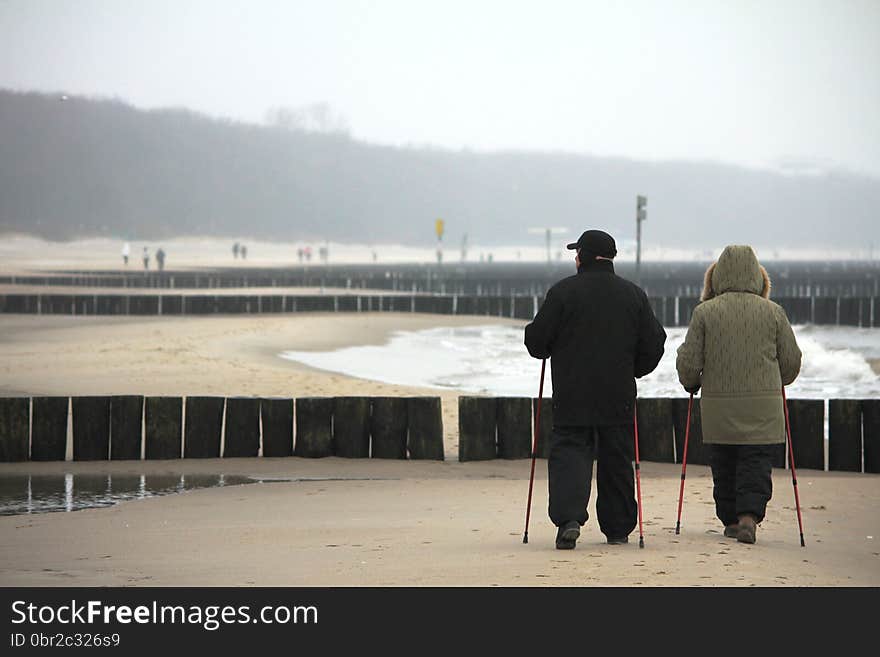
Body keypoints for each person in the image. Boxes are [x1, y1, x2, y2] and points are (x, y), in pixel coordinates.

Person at [524, 229, 666, 549]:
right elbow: (655, 343)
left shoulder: (563, 292)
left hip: (572, 393)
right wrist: (635, 371)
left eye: (577, 253)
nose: (575, 258)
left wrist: (540, 338)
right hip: (617, 394)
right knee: (616, 459)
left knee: (570, 454)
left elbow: (537, 342)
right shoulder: (633, 295)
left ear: (583, 258)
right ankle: (617, 529)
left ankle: (569, 519)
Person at [676, 245, 801, 544]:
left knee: (724, 464)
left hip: (719, 407)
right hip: (763, 407)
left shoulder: (705, 312)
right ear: (759, 278)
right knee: (756, 462)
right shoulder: (774, 312)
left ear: (716, 278)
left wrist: (690, 382)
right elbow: (791, 361)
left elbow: (690, 361)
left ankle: (731, 520)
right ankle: (749, 517)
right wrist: (776, 382)